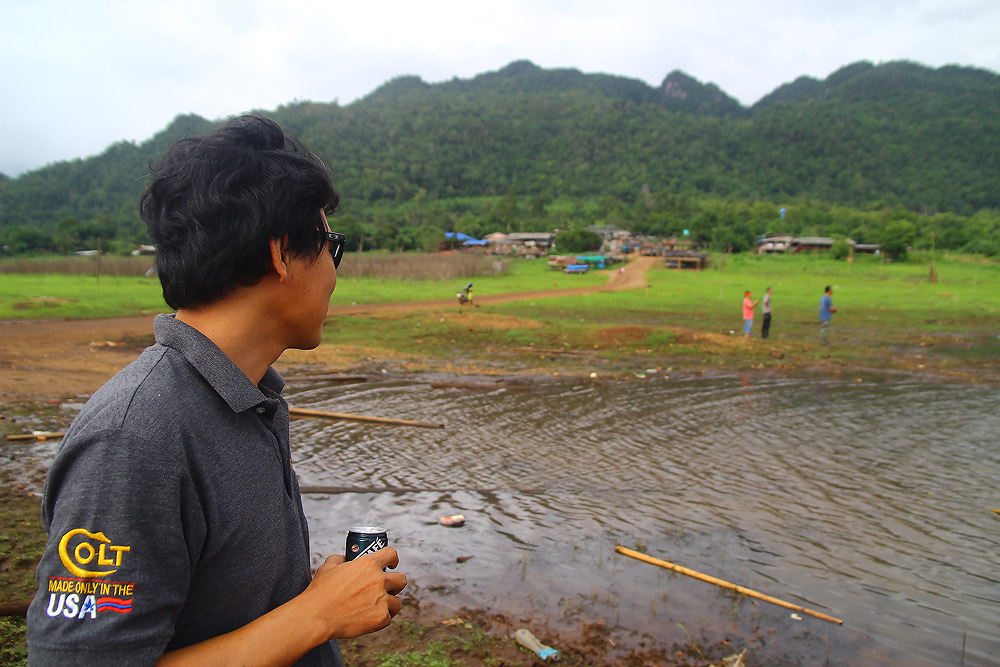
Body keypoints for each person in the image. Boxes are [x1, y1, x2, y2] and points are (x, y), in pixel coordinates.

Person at [27, 116, 406, 666]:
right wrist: (315, 616)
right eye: (331, 245)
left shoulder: (250, 398)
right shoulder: (133, 438)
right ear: (281, 254)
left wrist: (309, 596)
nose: (333, 271)